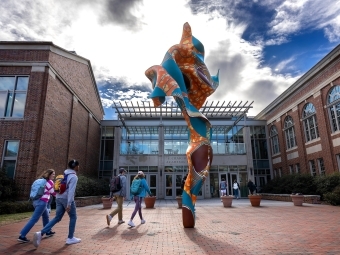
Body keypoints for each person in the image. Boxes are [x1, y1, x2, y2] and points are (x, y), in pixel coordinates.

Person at [33, 159, 80, 247]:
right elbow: (71, 191)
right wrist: (69, 203)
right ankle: (70, 238)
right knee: (73, 217)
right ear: (75, 166)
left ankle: (41, 233)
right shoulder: (74, 177)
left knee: (57, 217)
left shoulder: (64, 174)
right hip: (66, 199)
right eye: (78, 165)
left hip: (58, 198)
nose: (78, 167)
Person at [17, 169, 56, 243]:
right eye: (53, 174)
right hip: (42, 203)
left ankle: (48, 231)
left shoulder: (40, 181)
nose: (54, 175)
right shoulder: (49, 182)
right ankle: (22, 236)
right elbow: (53, 193)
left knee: (46, 216)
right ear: (49, 174)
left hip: (35, 201)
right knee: (34, 219)